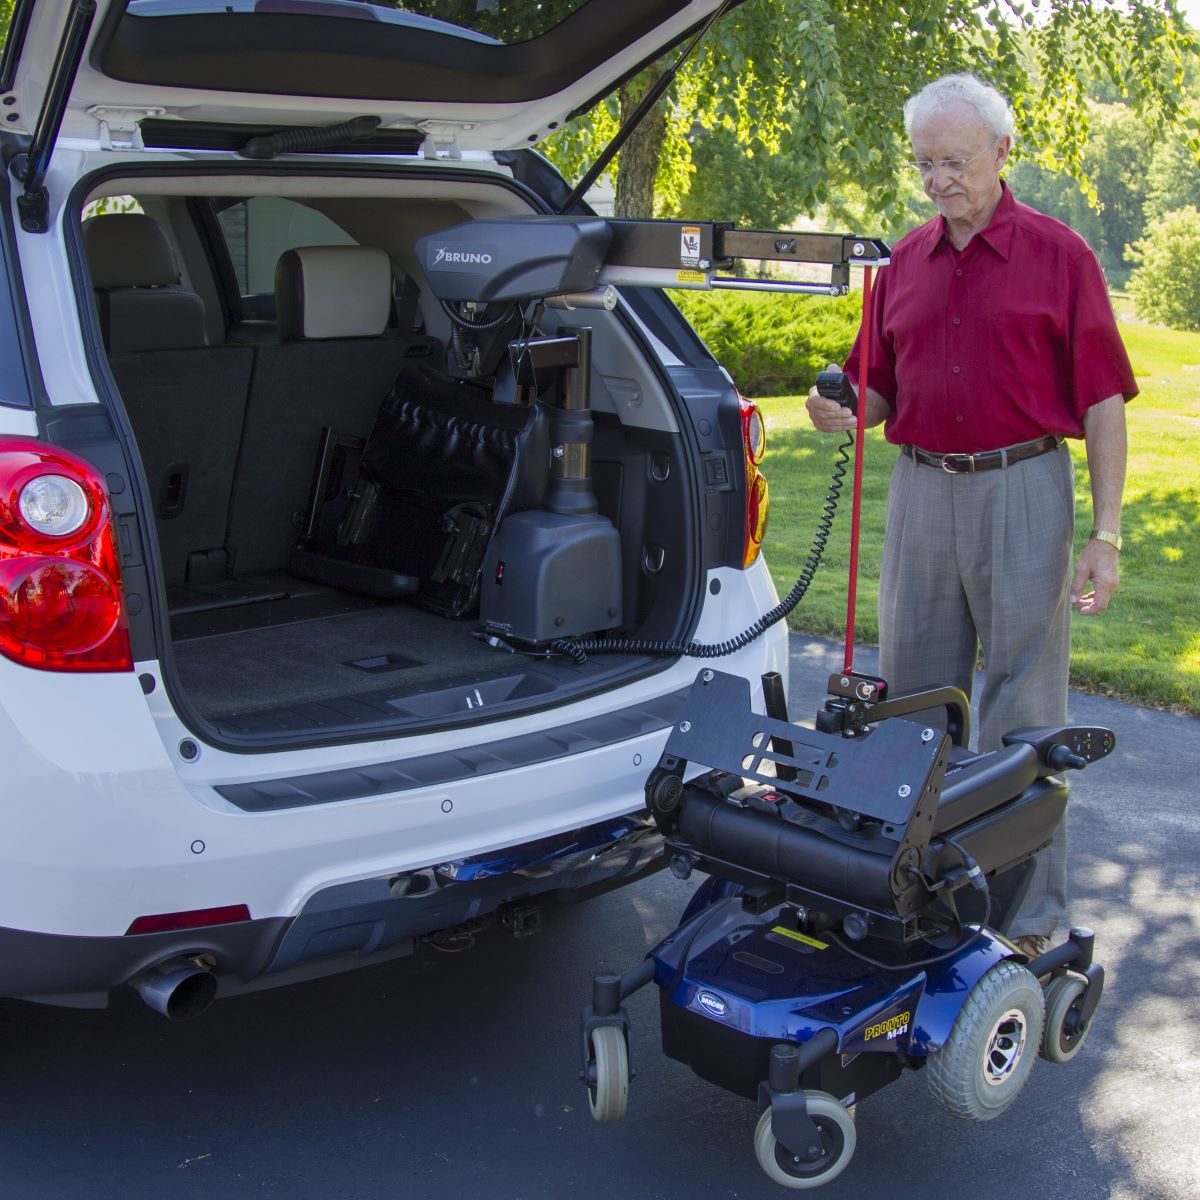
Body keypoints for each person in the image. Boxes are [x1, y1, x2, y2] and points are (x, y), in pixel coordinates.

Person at [805, 73, 1134, 958]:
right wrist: (841, 407)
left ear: (1001, 152)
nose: (937, 180)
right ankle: (907, 895)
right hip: (922, 489)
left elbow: (1104, 400)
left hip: (1024, 487)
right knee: (909, 703)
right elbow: (877, 389)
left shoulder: (1061, 256)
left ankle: (1026, 920)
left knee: (1022, 713)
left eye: (954, 161)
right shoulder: (901, 265)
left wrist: (1105, 534)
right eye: (924, 163)